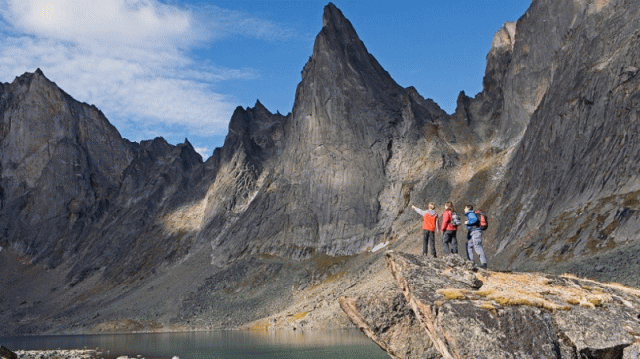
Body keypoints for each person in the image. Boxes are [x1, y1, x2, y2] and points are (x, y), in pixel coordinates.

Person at [464, 204, 487, 269]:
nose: (464, 209)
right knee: (469, 246)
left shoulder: (470, 214)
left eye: (465, 208)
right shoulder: (471, 214)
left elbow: (474, 220)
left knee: (477, 246)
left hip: (475, 232)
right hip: (473, 232)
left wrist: (468, 222)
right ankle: (471, 262)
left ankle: (484, 263)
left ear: (468, 209)